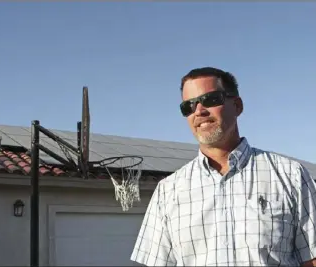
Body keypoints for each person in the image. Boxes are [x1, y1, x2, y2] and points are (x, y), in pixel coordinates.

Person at [130, 67, 316, 266]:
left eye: (210, 99)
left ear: (237, 105)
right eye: (188, 106)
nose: (199, 111)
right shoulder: (168, 191)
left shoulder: (290, 176)